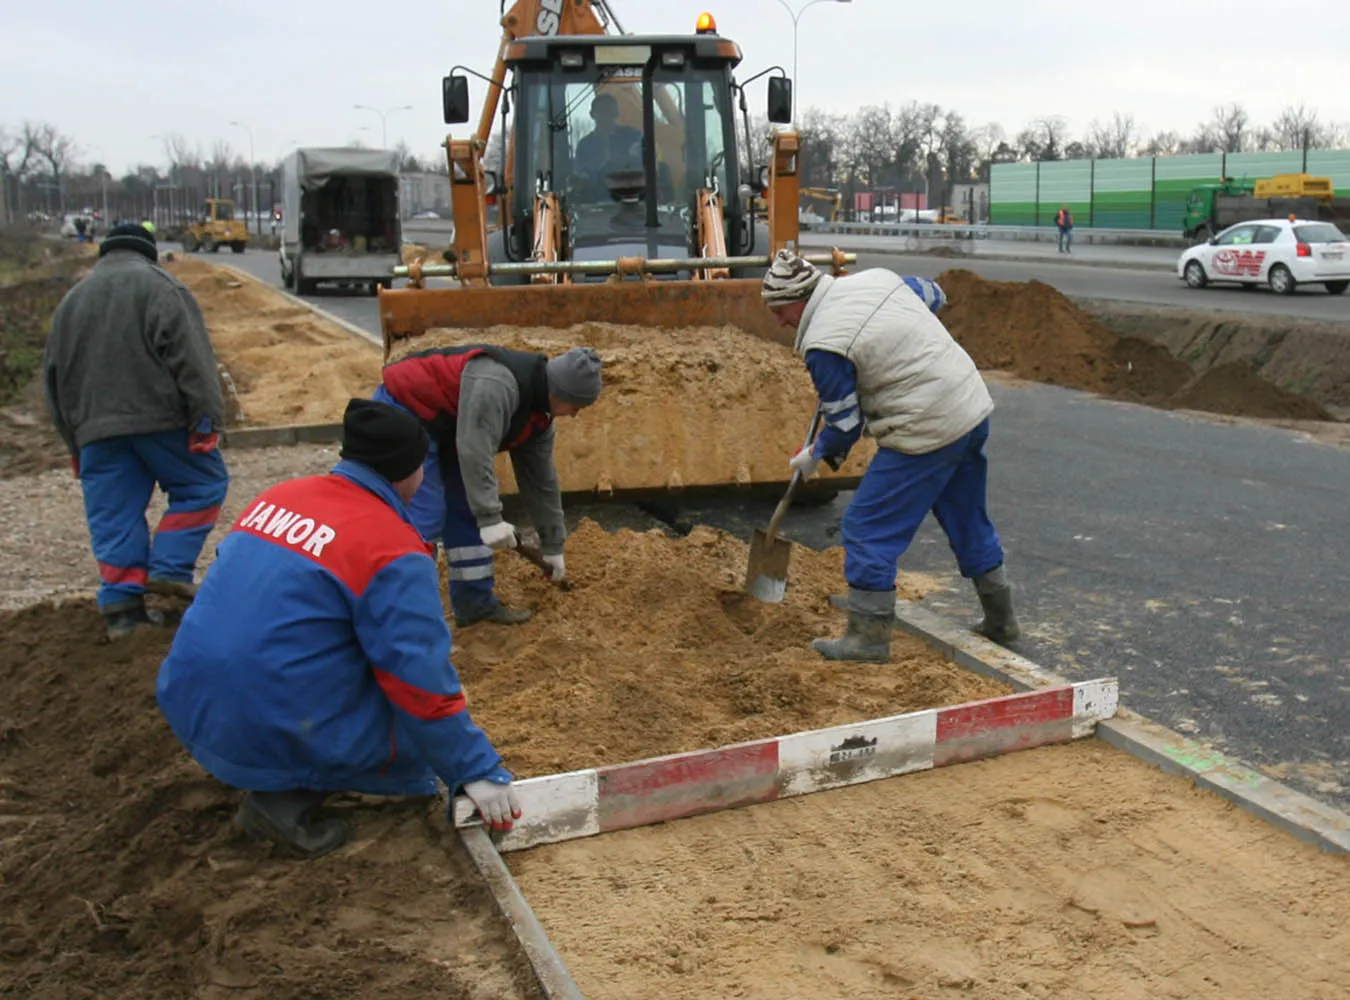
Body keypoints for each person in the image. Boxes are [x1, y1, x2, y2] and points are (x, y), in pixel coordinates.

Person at [157, 399, 521, 858]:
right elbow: (419, 678)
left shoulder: (279, 496)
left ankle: (262, 760)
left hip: (192, 700)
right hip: (262, 716)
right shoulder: (391, 548)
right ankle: (283, 802)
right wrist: (475, 769)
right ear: (411, 470)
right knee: (406, 732)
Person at [760, 249, 1021, 663]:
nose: (779, 321)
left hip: (924, 426)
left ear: (800, 299)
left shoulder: (823, 344)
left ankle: (868, 638)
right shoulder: (877, 279)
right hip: (969, 407)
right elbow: (934, 294)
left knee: (866, 528)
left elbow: (845, 425)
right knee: (966, 517)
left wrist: (816, 454)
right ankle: (1001, 621)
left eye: (780, 310)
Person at [43, 221, 229, 639]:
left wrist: (74, 442)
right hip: (162, 421)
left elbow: (53, 380)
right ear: (149, 253)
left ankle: (122, 611)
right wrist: (205, 421)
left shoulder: (71, 302)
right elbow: (193, 361)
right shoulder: (163, 288)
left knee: (114, 514)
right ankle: (169, 569)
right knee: (203, 485)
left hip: (94, 431)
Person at [374, 344, 603, 626]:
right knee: (424, 517)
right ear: (559, 392)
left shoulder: (540, 418)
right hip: (407, 410)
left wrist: (552, 544)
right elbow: (475, 449)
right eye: (576, 406)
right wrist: (490, 517)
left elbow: (540, 480)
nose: (575, 414)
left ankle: (475, 606)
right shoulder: (497, 384)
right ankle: (402, 616)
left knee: (467, 512)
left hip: (451, 427)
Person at [574, 92, 642, 183]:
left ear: (617, 113)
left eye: (610, 112)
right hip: (595, 191)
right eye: (602, 112)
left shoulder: (632, 137)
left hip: (629, 188)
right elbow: (580, 175)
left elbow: (643, 164)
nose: (607, 116)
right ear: (592, 114)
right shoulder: (584, 145)